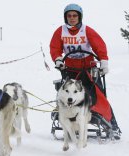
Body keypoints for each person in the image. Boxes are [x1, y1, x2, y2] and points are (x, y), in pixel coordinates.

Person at [49, 3, 121, 139]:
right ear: (66, 17)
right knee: (67, 96)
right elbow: (55, 47)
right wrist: (58, 59)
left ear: (79, 16)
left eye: (75, 15)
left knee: (99, 95)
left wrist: (103, 61)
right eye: (69, 16)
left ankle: (113, 126)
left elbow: (99, 46)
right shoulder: (60, 31)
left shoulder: (86, 30)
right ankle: (69, 122)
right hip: (70, 69)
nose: (72, 18)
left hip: (88, 68)